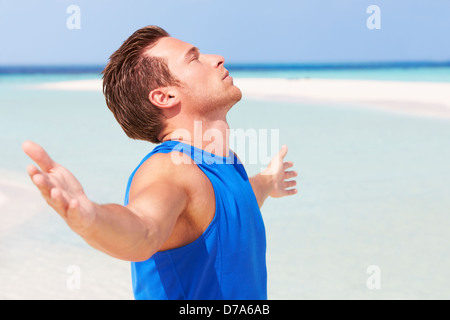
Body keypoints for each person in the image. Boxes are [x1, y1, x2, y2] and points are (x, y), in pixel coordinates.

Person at [22, 25, 298, 300]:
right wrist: (92, 220)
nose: (217, 58)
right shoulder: (170, 169)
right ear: (165, 97)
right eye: (194, 57)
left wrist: (268, 180)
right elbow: (144, 229)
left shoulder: (224, 163)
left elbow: (236, 199)